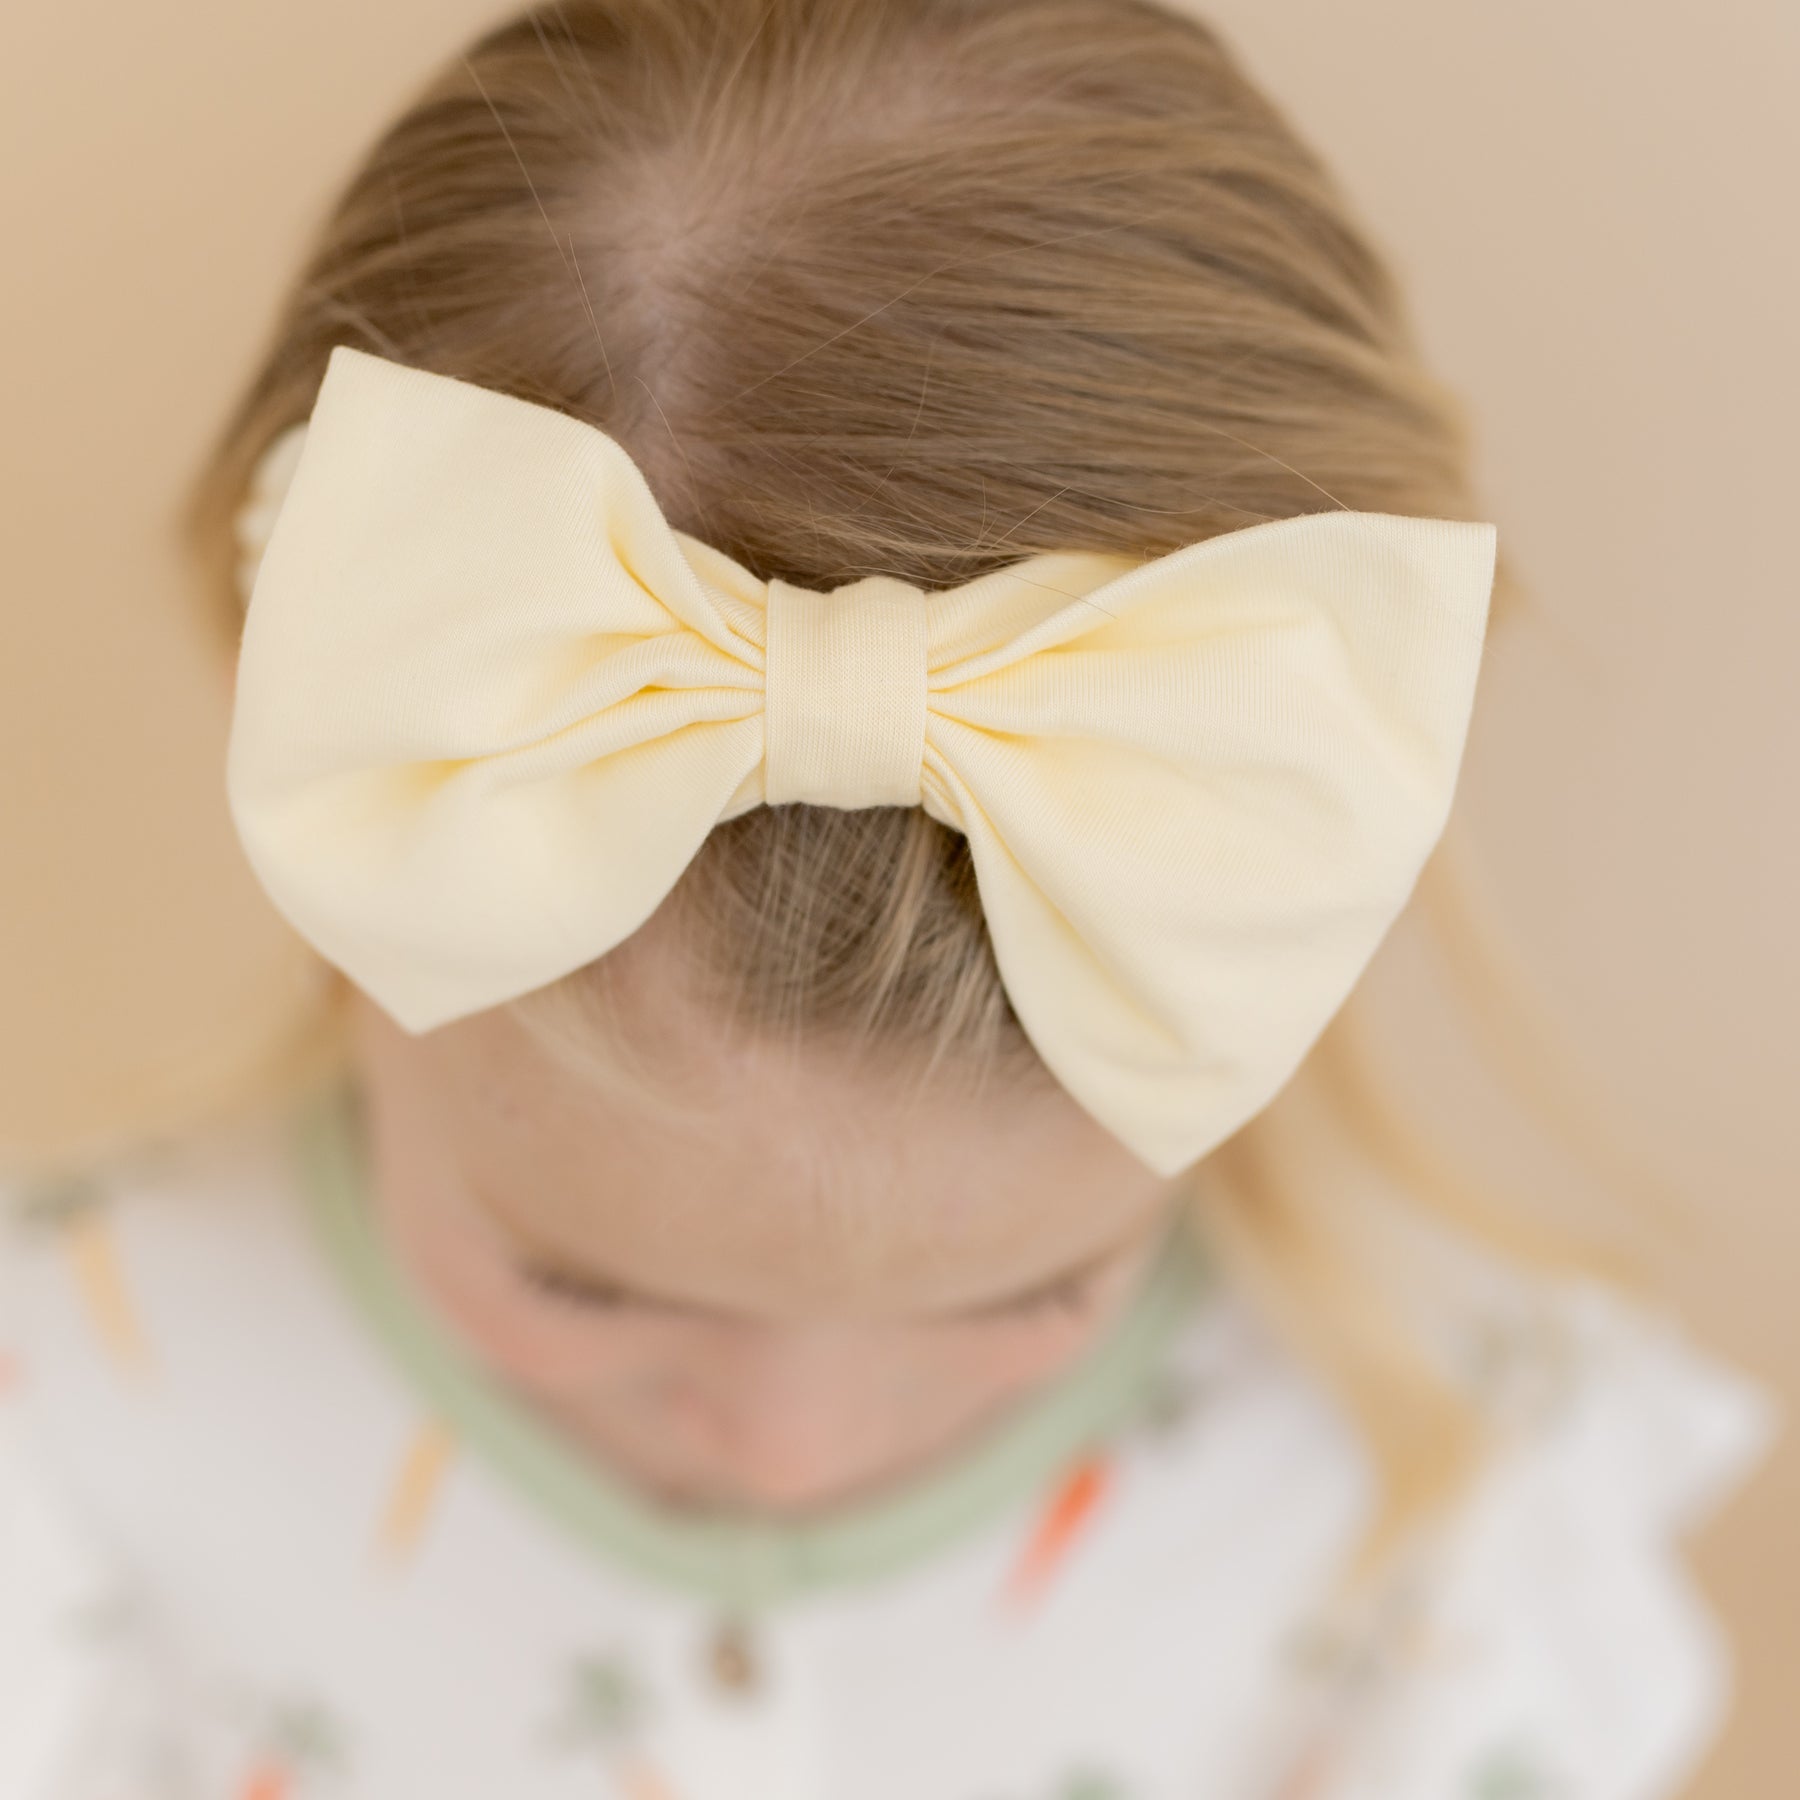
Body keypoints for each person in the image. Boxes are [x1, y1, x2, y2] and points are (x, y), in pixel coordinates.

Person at [0, 1, 1779, 1795]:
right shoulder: (56, 1442)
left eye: (1031, 1297)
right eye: (582, 1288)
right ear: (312, 748)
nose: (788, 1448)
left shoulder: (1452, 1527)